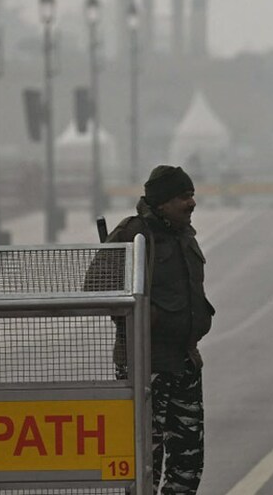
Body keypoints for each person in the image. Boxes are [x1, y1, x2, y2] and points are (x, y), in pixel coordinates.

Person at [106, 165, 214, 494]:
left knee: (188, 463)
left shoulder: (185, 236)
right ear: (163, 202)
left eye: (192, 194)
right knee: (144, 463)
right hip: (146, 367)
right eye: (184, 196)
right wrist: (140, 311)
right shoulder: (133, 235)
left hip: (183, 364)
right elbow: (98, 287)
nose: (192, 203)